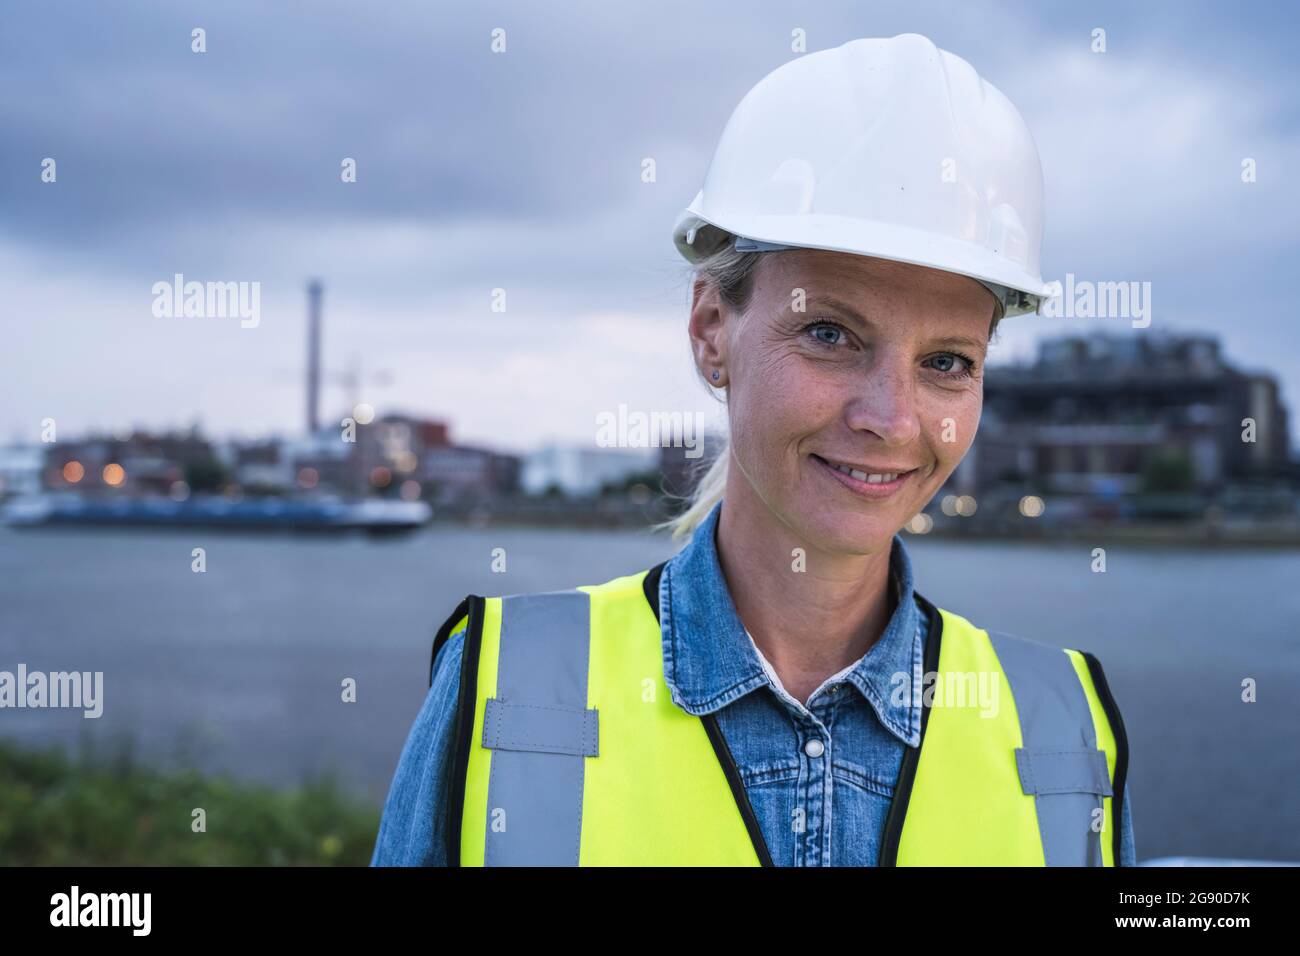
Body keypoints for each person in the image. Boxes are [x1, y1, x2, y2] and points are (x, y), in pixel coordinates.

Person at [372, 33, 1135, 867]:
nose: (891, 418)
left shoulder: (1066, 732)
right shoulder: (499, 691)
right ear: (711, 331)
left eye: (947, 362)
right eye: (830, 333)